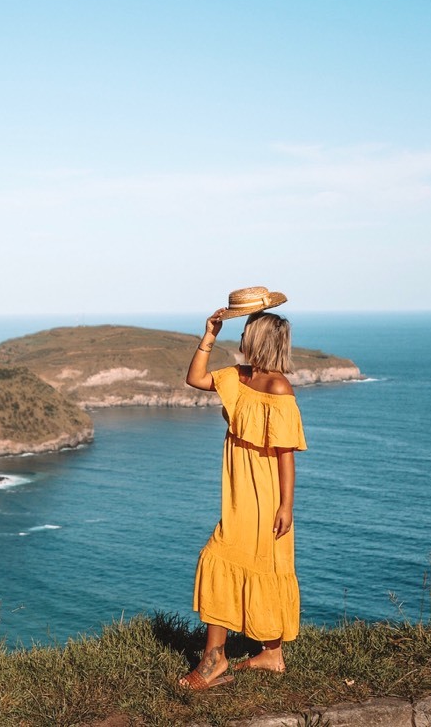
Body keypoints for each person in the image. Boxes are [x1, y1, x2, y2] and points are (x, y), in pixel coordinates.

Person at [179, 286, 307, 691]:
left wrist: (286, 505)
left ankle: (214, 660)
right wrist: (209, 333)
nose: (242, 337)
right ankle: (271, 654)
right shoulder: (239, 377)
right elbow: (194, 377)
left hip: (264, 495)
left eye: (247, 331)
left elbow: (286, 454)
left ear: (260, 339)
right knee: (244, 563)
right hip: (237, 489)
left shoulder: (278, 388)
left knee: (222, 557)